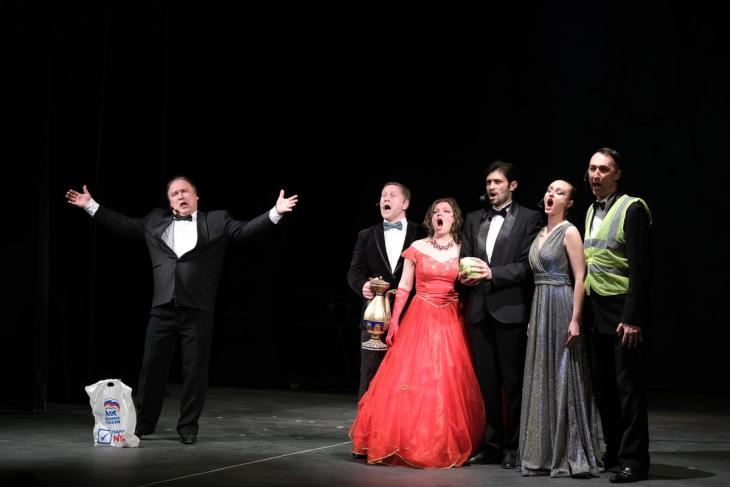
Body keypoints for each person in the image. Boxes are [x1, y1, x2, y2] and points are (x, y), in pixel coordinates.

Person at [65, 177, 297, 445]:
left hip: (197, 308)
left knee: (194, 372)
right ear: (170, 201)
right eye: (174, 194)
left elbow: (245, 231)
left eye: (185, 191)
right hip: (163, 307)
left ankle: (188, 427)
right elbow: (123, 225)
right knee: (151, 369)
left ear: (196, 196)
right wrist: (90, 205)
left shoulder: (217, 220)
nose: (180, 196)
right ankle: (145, 423)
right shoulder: (155, 220)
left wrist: (276, 212)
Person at [349, 198, 485, 468]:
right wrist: (395, 321)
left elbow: (469, 284)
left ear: (455, 219)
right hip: (420, 316)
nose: (440, 214)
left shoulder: (463, 250)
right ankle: (405, 439)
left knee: (447, 380)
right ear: (430, 219)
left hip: (451, 319)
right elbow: (404, 287)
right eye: (435, 211)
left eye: (446, 211)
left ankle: (440, 440)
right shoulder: (418, 247)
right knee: (414, 377)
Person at [458, 160, 541, 468]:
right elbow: (465, 258)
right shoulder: (474, 218)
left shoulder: (529, 218)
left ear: (512, 185)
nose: (491, 187)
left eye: (497, 182)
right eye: (488, 182)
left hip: (509, 310)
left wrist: (493, 274)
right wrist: (463, 276)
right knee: (487, 384)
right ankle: (491, 445)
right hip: (479, 311)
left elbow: (527, 265)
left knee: (512, 383)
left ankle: (513, 447)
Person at [517, 179, 601, 478]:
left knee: (563, 372)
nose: (552, 194)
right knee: (542, 374)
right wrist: (532, 318)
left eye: (560, 192)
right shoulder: (541, 233)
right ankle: (541, 450)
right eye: (550, 190)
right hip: (540, 305)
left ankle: (569, 450)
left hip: (562, 302)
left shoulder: (569, 231)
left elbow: (580, 277)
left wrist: (575, 319)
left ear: (569, 202)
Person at [583, 148, 651, 483]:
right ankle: (613, 452)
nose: (596, 175)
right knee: (604, 389)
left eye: (604, 169)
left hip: (622, 313)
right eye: (592, 168)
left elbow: (642, 269)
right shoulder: (589, 210)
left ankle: (634, 461)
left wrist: (633, 317)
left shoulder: (632, 209)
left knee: (628, 390)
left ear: (617, 174)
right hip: (596, 313)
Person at [347, 182, 422, 399]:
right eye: (383, 195)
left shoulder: (422, 233)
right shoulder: (366, 235)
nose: (385, 199)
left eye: (391, 195)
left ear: (405, 203)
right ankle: (365, 420)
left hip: (410, 316)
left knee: (405, 377)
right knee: (370, 375)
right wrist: (363, 285)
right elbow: (354, 271)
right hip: (375, 317)